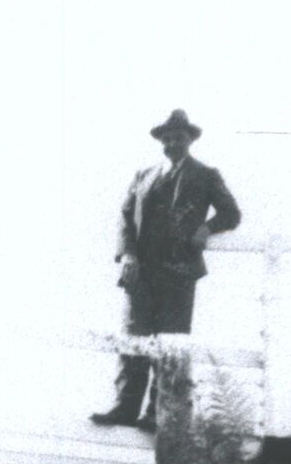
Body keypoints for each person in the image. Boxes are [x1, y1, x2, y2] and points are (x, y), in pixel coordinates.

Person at [91, 108, 242, 430]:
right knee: (134, 341)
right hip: (140, 273)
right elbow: (125, 218)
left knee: (170, 344)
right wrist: (128, 256)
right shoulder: (143, 176)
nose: (173, 142)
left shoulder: (206, 175)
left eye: (180, 137)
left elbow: (231, 213)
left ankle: (158, 414)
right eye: (168, 138)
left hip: (179, 271)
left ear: (190, 140)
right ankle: (124, 407)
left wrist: (206, 228)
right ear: (161, 141)